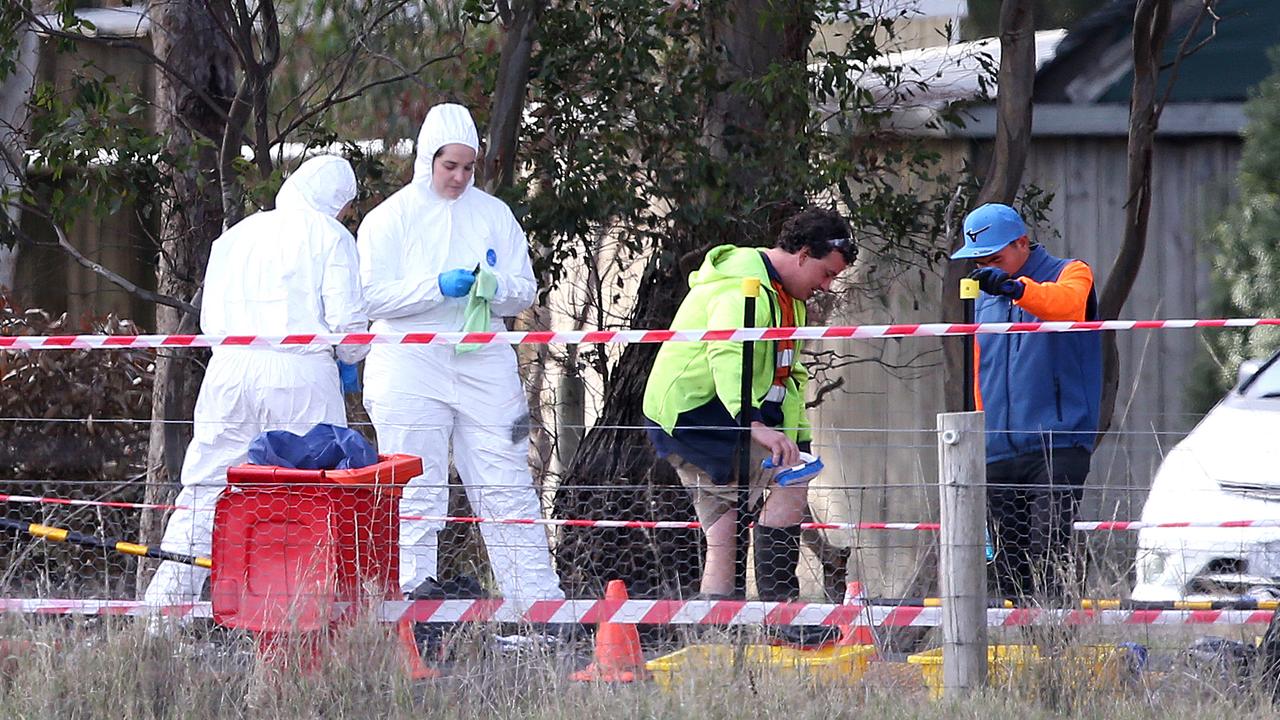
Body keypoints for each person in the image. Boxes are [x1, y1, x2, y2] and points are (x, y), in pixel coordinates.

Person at [357, 102, 564, 603]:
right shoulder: (390, 219)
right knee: (413, 483)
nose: (459, 176)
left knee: (506, 478)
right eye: (450, 165)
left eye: (469, 167)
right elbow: (370, 295)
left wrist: (492, 287)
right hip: (409, 362)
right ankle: (408, 600)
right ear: (427, 158)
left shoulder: (493, 215)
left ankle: (535, 604)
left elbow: (524, 290)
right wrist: (436, 287)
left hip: (483, 360)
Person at [145, 155, 368, 604]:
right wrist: (350, 358)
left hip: (229, 371)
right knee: (312, 495)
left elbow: (209, 320)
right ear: (336, 201)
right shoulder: (329, 236)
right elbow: (350, 329)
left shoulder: (235, 236)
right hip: (299, 374)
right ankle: (297, 611)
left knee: (206, 489)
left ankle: (163, 612)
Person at [642, 207, 857, 600]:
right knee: (791, 478)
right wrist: (752, 422)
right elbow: (727, 354)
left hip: (719, 411)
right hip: (696, 413)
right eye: (826, 273)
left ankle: (718, 628)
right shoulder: (745, 287)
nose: (827, 286)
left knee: (725, 524)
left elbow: (788, 375)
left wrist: (798, 437)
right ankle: (781, 611)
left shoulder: (790, 299)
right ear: (804, 254)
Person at [951, 202, 1103, 600]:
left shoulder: (1071, 272)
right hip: (998, 447)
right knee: (1008, 565)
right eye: (979, 260)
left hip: (1059, 441)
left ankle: (1057, 646)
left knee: (1049, 549)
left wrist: (1016, 289)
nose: (987, 266)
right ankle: (1024, 650)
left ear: (1022, 242)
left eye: (995, 257)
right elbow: (981, 367)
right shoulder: (986, 294)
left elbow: (1067, 305)